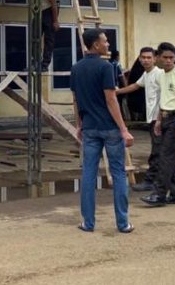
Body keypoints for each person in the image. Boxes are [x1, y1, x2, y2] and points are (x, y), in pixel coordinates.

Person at [71, 28, 135, 233]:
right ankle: (123, 223)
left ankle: (88, 223)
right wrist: (123, 128)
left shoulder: (76, 68)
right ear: (95, 44)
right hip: (109, 127)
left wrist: (79, 124)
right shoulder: (106, 67)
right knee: (118, 173)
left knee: (88, 173)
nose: (108, 44)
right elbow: (111, 99)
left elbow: (76, 100)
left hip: (89, 128)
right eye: (105, 41)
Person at [141, 42, 175, 207]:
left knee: (165, 157)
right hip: (164, 117)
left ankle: (159, 194)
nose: (168, 60)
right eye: (165, 57)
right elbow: (162, 99)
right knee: (169, 157)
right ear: (158, 58)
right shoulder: (161, 75)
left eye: (171, 57)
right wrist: (158, 120)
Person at [115, 47, 161, 191]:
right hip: (152, 118)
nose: (146, 60)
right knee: (159, 150)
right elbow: (135, 86)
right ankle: (163, 183)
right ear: (140, 59)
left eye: (149, 57)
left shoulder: (159, 74)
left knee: (158, 151)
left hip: (160, 119)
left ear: (155, 59)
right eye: (143, 57)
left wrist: (160, 118)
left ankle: (151, 181)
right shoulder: (146, 75)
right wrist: (117, 92)